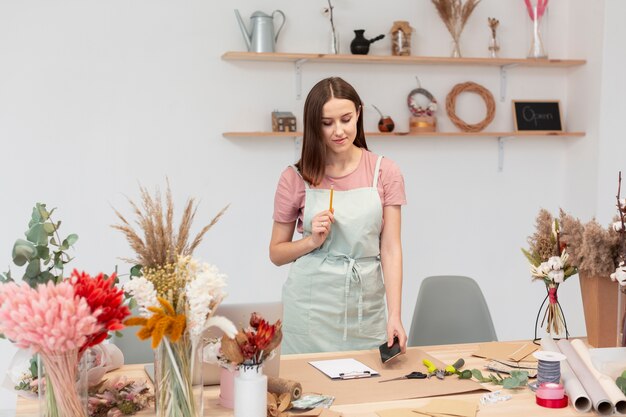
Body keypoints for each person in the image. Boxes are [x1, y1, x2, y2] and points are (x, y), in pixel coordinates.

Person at [270, 77, 407, 354]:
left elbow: (391, 249)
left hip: (364, 310)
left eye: (345, 119)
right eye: (326, 123)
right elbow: (276, 253)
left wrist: (395, 315)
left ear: (358, 112)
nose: (338, 131)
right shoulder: (295, 177)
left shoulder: (385, 171)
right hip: (309, 310)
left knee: (367, 389)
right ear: (314, 125)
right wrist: (311, 241)